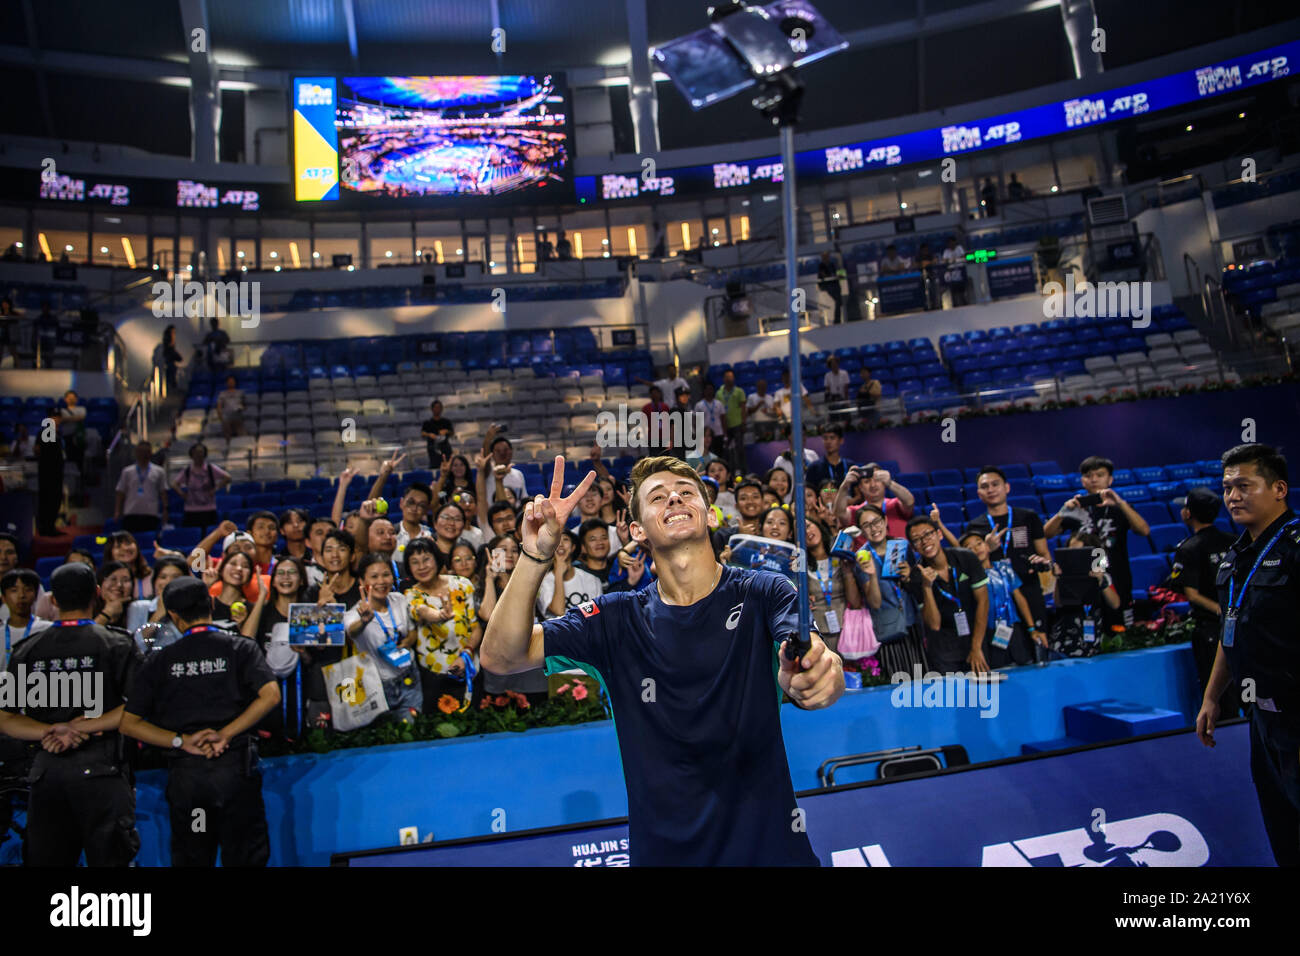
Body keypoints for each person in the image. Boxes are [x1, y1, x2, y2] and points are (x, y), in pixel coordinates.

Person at [481, 455, 843, 865]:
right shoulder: (614, 618)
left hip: (776, 853)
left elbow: (816, 654)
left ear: (708, 513)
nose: (674, 497)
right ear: (637, 530)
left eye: (687, 492)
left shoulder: (764, 592)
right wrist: (535, 554)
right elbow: (501, 656)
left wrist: (819, 671)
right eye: (658, 496)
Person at [120, 575, 280, 867]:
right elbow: (270, 696)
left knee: (194, 856)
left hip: (189, 780)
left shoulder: (159, 660)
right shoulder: (240, 647)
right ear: (209, 604)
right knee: (245, 857)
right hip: (235, 772)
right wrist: (225, 734)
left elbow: (129, 723)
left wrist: (183, 741)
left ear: (173, 616)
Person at [1197, 444, 1300, 867]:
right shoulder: (1234, 558)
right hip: (1262, 719)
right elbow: (1231, 631)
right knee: (1284, 829)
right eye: (1227, 488)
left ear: (1278, 488)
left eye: (1244, 486)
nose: (1233, 496)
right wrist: (1211, 697)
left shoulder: (1296, 547)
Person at [0, 563, 142, 866]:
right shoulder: (117, 643)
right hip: (103, 771)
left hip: (47, 772)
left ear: (52, 600)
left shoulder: (26, 649)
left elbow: (6, 718)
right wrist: (89, 726)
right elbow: (141, 707)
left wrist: (51, 731)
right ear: (97, 593)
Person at [1044, 455, 1150, 628]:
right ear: (1082, 481)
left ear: (1110, 479)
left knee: (1118, 630)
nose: (1094, 479)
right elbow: (1045, 534)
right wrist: (1063, 511)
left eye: (1099, 475)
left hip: (1116, 576)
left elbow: (1144, 530)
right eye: (1088, 475)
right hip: (1083, 580)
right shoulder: (1076, 509)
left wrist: (1120, 502)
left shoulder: (1120, 508)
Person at [1168, 487, 1239, 717]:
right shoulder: (1234, 541)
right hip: (1238, 624)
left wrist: (1220, 611)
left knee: (1219, 693)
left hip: (1211, 629)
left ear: (1188, 513)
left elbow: (1192, 594)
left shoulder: (1188, 548)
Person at [961, 466, 1052, 638]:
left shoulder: (1028, 517)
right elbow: (972, 565)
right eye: (985, 486)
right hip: (997, 594)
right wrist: (988, 548)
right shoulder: (975, 526)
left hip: (1028, 586)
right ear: (979, 493)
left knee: (1040, 642)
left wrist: (1043, 564)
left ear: (1007, 487)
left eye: (995, 484)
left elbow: (1044, 553)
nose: (991, 490)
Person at [904, 515, 989, 675]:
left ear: (939, 534)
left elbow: (983, 601)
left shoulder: (966, 558)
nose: (924, 541)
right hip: (944, 650)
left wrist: (976, 647)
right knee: (954, 698)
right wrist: (927, 587)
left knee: (985, 695)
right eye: (917, 540)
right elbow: (934, 624)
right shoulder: (917, 576)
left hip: (975, 637)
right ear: (914, 548)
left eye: (928, 534)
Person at [404, 539, 480, 711]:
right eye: (414, 562)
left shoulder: (462, 584)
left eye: (426, 559)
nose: (422, 566)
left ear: (437, 559)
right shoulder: (411, 594)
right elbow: (422, 611)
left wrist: (466, 654)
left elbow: (475, 627)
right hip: (433, 677)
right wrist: (439, 615)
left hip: (468, 668)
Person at [345, 553, 422, 722]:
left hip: (410, 678)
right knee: (385, 739)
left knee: (412, 731)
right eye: (374, 576)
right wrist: (364, 622)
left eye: (386, 575)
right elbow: (352, 631)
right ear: (362, 582)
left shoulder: (400, 600)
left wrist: (408, 642)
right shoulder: (353, 614)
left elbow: (412, 631)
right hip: (377, 685)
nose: (381, 581)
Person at [956, 528, 1043, 667]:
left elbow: (1019, 598)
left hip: (1013, 628)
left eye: (979, 543)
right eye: (969, 548)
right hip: (988, 631)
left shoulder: (1004, 568)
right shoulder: (968, 578)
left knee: (1024, 667)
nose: (976, 549)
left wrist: (1032, 628)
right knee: (998, 669)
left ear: (987, 546)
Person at [854, 505, 921, 676]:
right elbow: (875, 603)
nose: (874, 528)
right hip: (888, 630)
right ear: (862, 531)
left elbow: (917, 587)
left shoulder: (902, 546)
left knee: (924, 678)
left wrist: (908, 577)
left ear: (885, 521)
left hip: (913, 623)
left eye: (876, 521)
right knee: (900, 685)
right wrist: (872, 575)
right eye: (866, 525)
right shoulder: (862, 556)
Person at [1047, 532, 1120, 657]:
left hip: (1094, 634)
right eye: (1069, 550)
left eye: (1077, 551)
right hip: (1066, 635)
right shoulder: (1064, 575)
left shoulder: (1103, 576)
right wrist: (1059, 579)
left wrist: (1101, 582)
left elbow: (1115, 604)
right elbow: (1058, 602)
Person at [125, 557, 190, 654]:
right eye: (163, 577)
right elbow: (134, 648)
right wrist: (158, 614)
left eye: (176, 577)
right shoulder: (139, 608)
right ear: (155, 582)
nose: (168, 582)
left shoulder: (192, 609)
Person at [836, 464, 916, 540]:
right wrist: (845, 485)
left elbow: (909, 501)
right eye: (867, 481)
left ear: (884, 482)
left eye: (877, 480)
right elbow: (839, 513)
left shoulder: (896, 504)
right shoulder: (855, 511)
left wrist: (890, 483)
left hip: (899, 551)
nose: (873, 485)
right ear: (860, 487)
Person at [1, 568, 52, 668]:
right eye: (14, 590)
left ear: (36, 595)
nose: (21, 595)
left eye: (28, 589)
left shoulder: (47, 630)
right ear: (4, 598)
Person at [114, 440, 167, 534]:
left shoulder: (159, 471)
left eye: (146, 452)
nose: (144, 455)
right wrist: (117, 511)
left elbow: (163, 492)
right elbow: (120, 492)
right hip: (131, 513)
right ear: (136, 453)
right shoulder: (127, 471)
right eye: (141, 452)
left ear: (151, 453)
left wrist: (165, 510)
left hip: (150, 514)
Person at [173, 442, 230, 527]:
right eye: (196, 453)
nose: (199, 455)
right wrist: (182, 494)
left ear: (205, 454)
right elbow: (174, 484)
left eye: (201, 453)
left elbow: (227, 477)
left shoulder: (210, 468)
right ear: (192, 455)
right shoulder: (187, 470)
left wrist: (216, 489)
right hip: (191, 510)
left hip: (208, 509)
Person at [35, 402, 64, 535]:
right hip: (49, 474)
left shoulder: (56, 433)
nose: (56, 419)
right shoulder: (48, 432)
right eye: (53, 417)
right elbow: (43, 452)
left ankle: (50, 526)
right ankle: (46, 528)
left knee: (54, 500)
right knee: (48, 500)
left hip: (56, 473)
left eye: (58, 417)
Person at [717, 369, 748, 477]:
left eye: (731, 377)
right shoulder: (719, 393)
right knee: (726, 452)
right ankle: (729, 473)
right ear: (724, 379)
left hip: (737, 424)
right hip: (725, 426)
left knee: (740, 450)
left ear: (734, 378)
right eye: (727, 377)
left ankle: (743, 473)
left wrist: (744, 422)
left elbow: (744, 408)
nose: (729, 379)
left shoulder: (739, 391)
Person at [806, 424, 853, 491]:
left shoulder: (850, 466)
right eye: (825, 438)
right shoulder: (814, 467)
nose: (828, 442)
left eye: (832, 438)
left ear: (841, 440)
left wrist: (847, 501)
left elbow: (858, 494)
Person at [420, 400, 455, 468]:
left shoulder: (446, 421)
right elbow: (423, 433)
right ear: (432, 409)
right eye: (435, 407)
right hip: (433, 449)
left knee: (448, 466)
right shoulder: (427, 422)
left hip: (445, 448)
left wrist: (446, 431)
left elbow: (452, 432)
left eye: (439, 407)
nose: (437, 409)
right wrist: (429, 435)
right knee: (435, 467)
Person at [745, 379, 778, 444]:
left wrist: (768, 410)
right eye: (760, 386)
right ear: (757, 387)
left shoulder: (770, 397)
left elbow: (773, 411)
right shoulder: (751, 397)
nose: (762, 388)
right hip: (756, 423)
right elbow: (748, 411)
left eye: (764, 386)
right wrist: (758, 405)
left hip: (769, 422)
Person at [817, 251, 844, 323]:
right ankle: (837, 320)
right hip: (828, 286)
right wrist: (832, 277)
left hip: (835, 284)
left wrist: (837, 277)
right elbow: (824, 276)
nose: (826, 258)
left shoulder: (832, 264)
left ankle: (837, 319)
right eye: (825, 257)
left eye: (827, 256)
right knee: (838, 301)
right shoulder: (821, 266)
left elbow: (834, 274)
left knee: (839, 302)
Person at [216, 375, 246, 439]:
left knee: (242, 434)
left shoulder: (240, 393)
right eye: (229, 381)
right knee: (226, 423)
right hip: (227, 417)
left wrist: (242, 407)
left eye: (232, 381)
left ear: (235, 382)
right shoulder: (222, 394)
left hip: (238, 416)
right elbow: (219, 406)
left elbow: (244, 405)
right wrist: (220, 417)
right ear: (227, 383)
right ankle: (227, 442)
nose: (231, 383)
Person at [157, 324, 183, 393]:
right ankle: (170, 389)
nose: (174, 334)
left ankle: (171, 389)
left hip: (170, 362)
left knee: (172, 376)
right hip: (169, 363)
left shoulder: (170, 343)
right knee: (170, 376)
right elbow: (169, 352)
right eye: (173, 332)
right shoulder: (168, 343)